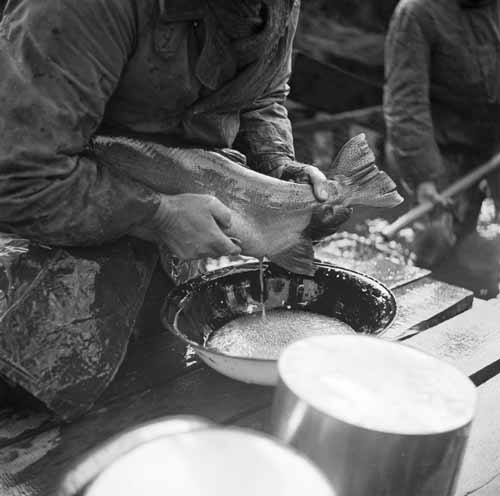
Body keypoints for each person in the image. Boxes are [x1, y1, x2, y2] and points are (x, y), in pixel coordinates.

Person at [0, 0, 351, 415]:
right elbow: (17, 177)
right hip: (30, 302)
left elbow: (261, 96)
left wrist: (276, 174)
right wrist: (159, 216)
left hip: (170, 290)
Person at [384, 0, 500, 268]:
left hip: (491, 142)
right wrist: (423, 177)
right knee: (435, 244)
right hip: (437, 149)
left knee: (470, 233)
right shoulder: (417, 12)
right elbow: (406, 102)